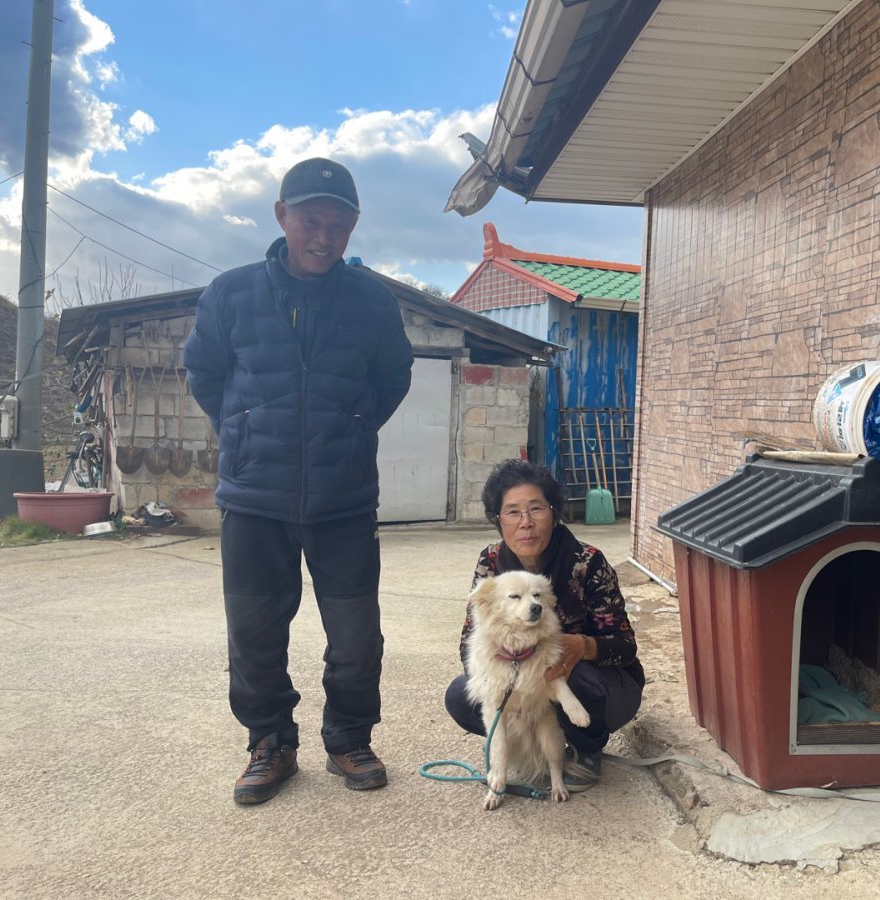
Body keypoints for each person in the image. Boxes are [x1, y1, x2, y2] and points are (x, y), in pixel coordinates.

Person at [183, 157, 413, 804]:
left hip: (343, 499)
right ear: (282, 216)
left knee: (356, 633)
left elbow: (393, 377)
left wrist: (354, 423)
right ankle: (269, 743)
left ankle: (348, 738)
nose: (323, 236)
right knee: (254, 631)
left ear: (353, 227)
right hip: (255, 499)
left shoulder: (372, 301)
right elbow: (204, 373)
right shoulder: (230, 294)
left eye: (338, 225)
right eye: (311, 220)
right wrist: (246, 430)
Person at [444, 459, 645, 792]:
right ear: (498, 521)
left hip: (604, 684)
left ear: (554, 513)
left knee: (571, 673)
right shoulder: (491, 564)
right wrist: (503, 671)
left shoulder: (588, 562)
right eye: (512, 512)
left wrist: (584, 646)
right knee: (461, 694)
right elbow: (471, 639)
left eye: (536, 508)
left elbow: (624, 645)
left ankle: (587, 749)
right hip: (524, 684)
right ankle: (529, 752)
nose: (526, 523)